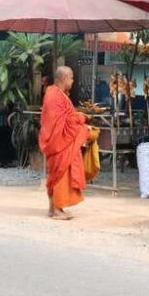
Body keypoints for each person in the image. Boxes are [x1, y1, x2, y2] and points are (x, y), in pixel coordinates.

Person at [38, 66, 91, 220]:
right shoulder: (53, 95)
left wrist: (77, 117)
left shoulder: (58, 93)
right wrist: (81, 118)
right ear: (63, 78)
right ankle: (56, 210)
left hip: (60, 140)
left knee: (57, 173)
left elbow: (66, 116)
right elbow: (59, 122)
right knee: (60, 173)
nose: (73, 81)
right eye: (71, 78)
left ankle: (54, 208)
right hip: (58, 142)